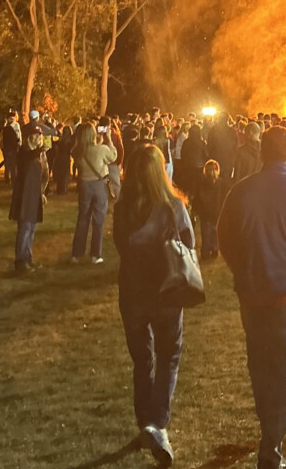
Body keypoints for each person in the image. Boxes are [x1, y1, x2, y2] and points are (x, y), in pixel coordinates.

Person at [218, 126, 286, 469]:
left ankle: (270, 437)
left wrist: (245, 269)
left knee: (260, 365)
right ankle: (272, 446)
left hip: (254, 293)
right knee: (283, 371)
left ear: (261, 152)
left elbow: (226, 239)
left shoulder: (240, 192)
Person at [113, 144, 195, 467]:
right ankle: (157, 423)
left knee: (142, 359)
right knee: (168, 356)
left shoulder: (123, 210)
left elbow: (122, 246)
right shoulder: (173, 207)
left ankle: (145, 420)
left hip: (133, 292)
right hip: (166, 291)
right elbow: (188, 245)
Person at [71, 123, 118, 265]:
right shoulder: (101, 149)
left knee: (82, 218)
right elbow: (113, 156)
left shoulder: (78, 151)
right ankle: (95, 254)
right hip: (99, 185)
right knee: (98, 220)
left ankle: (76, 254)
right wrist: (108, 139)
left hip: (84, 184)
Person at [9, 124, 49, 272]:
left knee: (31, 227)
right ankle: (20, 261)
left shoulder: (39, 154)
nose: (39, 138)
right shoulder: (24, 152)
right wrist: (39, 150)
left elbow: (43, 174)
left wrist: (42, 192)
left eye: (40, 135)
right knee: (24, 227)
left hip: (34, 193)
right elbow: (25, 161)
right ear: (30, 137)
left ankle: (27, 257)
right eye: (36, 135)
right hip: (24, 194)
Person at [193, 158, 224, 261]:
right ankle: (215, 248)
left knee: (205, 233)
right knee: (215, 232)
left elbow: (197, 198)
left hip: (205, 213)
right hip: (216, 211)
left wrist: (196, 209)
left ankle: (205, 252)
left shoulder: (201, 183)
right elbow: (223, 197)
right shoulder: (220, 183)